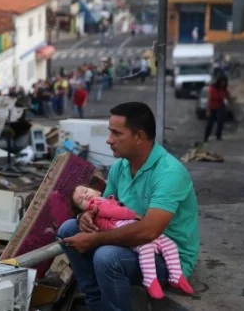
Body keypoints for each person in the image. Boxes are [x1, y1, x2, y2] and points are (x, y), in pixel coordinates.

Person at [57, 102, 199, 311]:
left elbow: (149, 231)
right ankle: (97, 305)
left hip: (166, 256)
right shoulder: (120, 167)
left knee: (106, 256)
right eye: (109, 132)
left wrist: (93, 239)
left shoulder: (169, 173)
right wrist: (86, 218)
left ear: (139, 137)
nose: (109, 140)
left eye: (116, 133)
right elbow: (104, 209)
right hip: (132, 243)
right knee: (67, 229)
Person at [71, 185, 194, 299]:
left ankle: (176, 275)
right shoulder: (97, 203)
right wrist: (133, 214)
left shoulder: (104, 199)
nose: (85, 196)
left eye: (85, 191)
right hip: (122, 227)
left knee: (169, 244)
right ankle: (150, 280)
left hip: (135, 228)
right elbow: (114, 212)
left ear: (97, 191)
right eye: (81, 201)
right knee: (145, 247)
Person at [204, 75, 230, 142]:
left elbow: (228, 96)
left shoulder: (224, 89)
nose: (223, 84)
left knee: (220, 122)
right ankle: (206, 137)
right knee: (210, 124)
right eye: (222, 82)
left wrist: (229, 102)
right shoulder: (213, 88)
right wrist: (208, 110)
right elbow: (209, 99)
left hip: (220, 107)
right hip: (212, 107)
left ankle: (218, 136)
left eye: (224, 82)